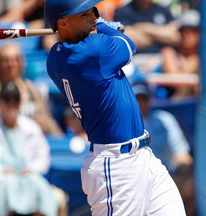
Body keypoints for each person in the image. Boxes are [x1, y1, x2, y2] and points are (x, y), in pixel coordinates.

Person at [44, 0, 186, 215]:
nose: (93, 16)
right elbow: (129, 45)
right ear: (63, 23)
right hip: (116, 167)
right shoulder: (93, 52)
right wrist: (103, 27)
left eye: (94, 11)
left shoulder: (55, 57)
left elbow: (79, 42)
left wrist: (96, 28)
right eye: (85, 14)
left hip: (143, 157)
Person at [0, 81, 59, 216]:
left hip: (28, 176)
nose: (11, 105)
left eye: (15, 101)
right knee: (7, 190)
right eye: (7, 100)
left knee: (42, 191)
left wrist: (31, 168)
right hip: (0, 178)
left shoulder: (31, 127)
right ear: (0, 102)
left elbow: (43, 156)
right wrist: (0, 169)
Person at [132, 80, 195, 216]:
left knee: (191, 184)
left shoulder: (165, 119)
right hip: (133, 179)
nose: (141, 103)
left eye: (144, 98)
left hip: (165, 175)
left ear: (150, 100)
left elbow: (182, 154)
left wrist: (182, 165)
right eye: (137, 98)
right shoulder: (122, 125)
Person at [0, 43, 64, 136]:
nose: (11, 64)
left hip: (34, 137)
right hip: (5, 136)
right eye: (6, 60)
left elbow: (45, 115)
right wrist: (29, 124)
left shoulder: (29, 87)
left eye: (16, 59)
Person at [113, 0, 181, 73]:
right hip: (135, 60)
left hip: (162, 59)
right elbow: (128, 40)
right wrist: (162, 35)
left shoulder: (163, 10)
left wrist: (144, 28)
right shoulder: (123, 12)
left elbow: (176, 37)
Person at [160, 9, 200, 100]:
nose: (187, 34)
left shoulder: (202, 55)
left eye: (193, 30)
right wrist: (194, 64)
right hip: (172, 105)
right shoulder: (169, 52)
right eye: (183, 30)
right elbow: (176, 82)